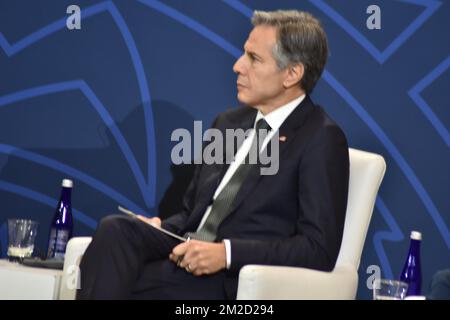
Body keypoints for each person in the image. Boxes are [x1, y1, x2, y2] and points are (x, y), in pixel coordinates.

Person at [77, 10, 349, 300]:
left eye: (254, 59)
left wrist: (226, 254)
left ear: (292, 73)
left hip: (230, 280)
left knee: (116, 281)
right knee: (116, 230)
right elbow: (192, 213)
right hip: (184, 253)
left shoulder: (320, 137)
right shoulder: (229, 123)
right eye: (243, 54)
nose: (237, 66)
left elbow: (318, 248)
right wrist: (162, 228)